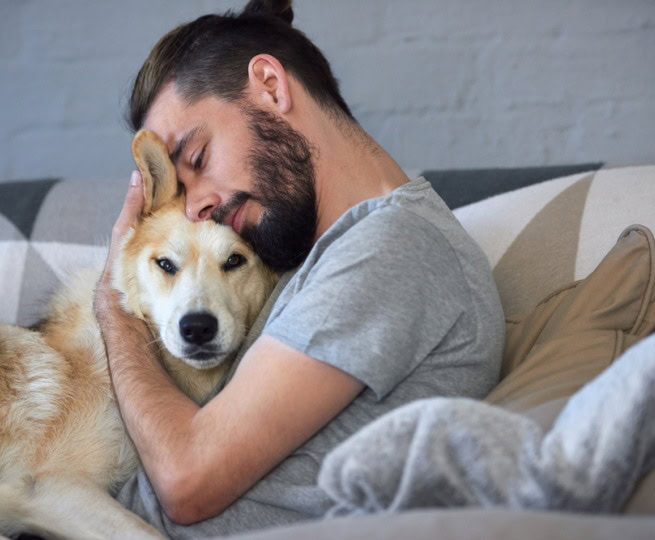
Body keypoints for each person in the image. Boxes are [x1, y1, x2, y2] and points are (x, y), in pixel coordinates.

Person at [93, 0, 505, 537]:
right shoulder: (312, 252)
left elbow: (186, 480)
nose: (194, 207)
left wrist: (113, 303)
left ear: (270, 85)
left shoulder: (392, 246)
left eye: (196, 158)